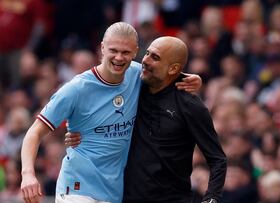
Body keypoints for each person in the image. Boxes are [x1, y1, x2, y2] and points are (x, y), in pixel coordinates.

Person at [20, 22, 201, 203]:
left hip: (114, 192)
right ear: (102, 48)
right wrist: (28, 174)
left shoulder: (139, 75)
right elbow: (35, 132)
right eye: (113, 50)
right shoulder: (76, 89)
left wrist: (193, 79)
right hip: (77, 189)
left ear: (136, 51)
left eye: (126, 52)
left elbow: (169, 75)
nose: (119, 57)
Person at [67, 36, 227, 203]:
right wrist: (81, 134)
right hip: (126, 198)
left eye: (155, 57)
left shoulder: (191, 106)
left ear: (173, 69)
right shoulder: (132, 89)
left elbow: (217, 159)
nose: (145, 60)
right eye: (147, 53)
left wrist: (211, 198)